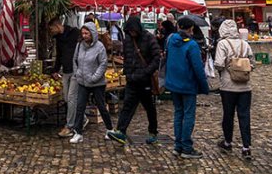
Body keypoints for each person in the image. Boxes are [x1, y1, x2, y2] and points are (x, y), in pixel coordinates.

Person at [107, 15, 162, 146]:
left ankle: (153, 133)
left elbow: (156, 58)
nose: (132, 33)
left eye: (133, 31)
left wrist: (146, 72)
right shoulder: (128, 40)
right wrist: (127, 72)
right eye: (130, 31)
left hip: (145, 81)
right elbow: (127, 57)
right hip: (132, 80)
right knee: (127, 106)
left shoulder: (149, 38)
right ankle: (121, 131)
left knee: (149, 108)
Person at [164, 17, 210, 158]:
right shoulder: (191, 45)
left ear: (178, 27)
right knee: (188, 115)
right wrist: (204, 86)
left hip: (173, 83)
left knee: (178, 113)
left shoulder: (171, 40)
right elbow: (198, 67)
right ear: (191, 29)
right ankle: (186, 148)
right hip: (187, 84)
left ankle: (178, 146)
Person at [214, 19, 254, 160]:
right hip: (245, 85)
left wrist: (227, 67)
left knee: (228, 114)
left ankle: (227, 141)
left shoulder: (222, 44)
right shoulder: (244, 44)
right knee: (244, 115)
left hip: (228, 86)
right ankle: (246, 146)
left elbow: (219, 64)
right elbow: (252, 63)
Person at [69, 21, 114, 144]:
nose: (84, 36)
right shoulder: (79, 45)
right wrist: (77, 73)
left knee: (101, 106)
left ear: (92, 33)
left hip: (97, 83)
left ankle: (110, 129)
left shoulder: (99, 47)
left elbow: (103, 64)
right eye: (83, 33)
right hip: (82, 82)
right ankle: (78, 132)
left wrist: (94, 78)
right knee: (80, 107)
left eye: (86, 33)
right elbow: (75, 60)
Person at [49, 17, 81, 138]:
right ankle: (83, 118)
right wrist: (55, 70)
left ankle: (69, 126)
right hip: (66, 71)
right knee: (67, 99)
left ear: (57, 26)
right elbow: (59, 56)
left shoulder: (74, 33)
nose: (51, 31)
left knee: (71, 98)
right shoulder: (58, 39)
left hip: (76, 71)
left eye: (51, 28)